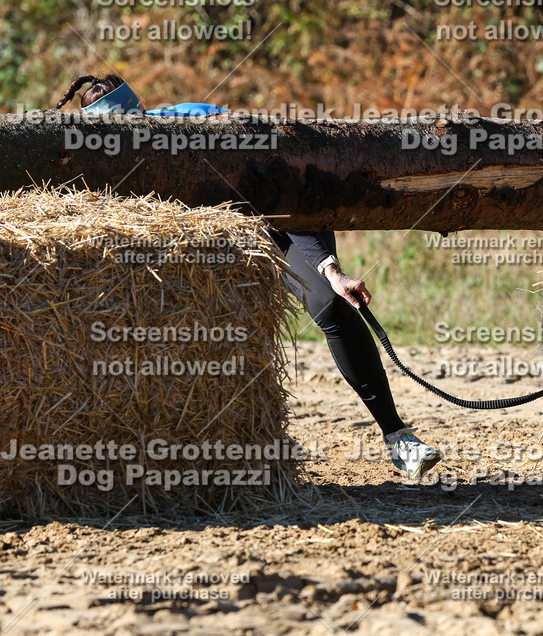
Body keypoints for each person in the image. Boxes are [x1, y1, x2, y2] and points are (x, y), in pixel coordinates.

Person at [54, 75, 443, 478]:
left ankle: (399, 439)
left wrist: (332, 271)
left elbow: (284, 182)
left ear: (141, 110)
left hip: (275, 220)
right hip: (206, 253)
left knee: (331, 304)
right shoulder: (101, 166)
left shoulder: (198, 120)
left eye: (135, 125)